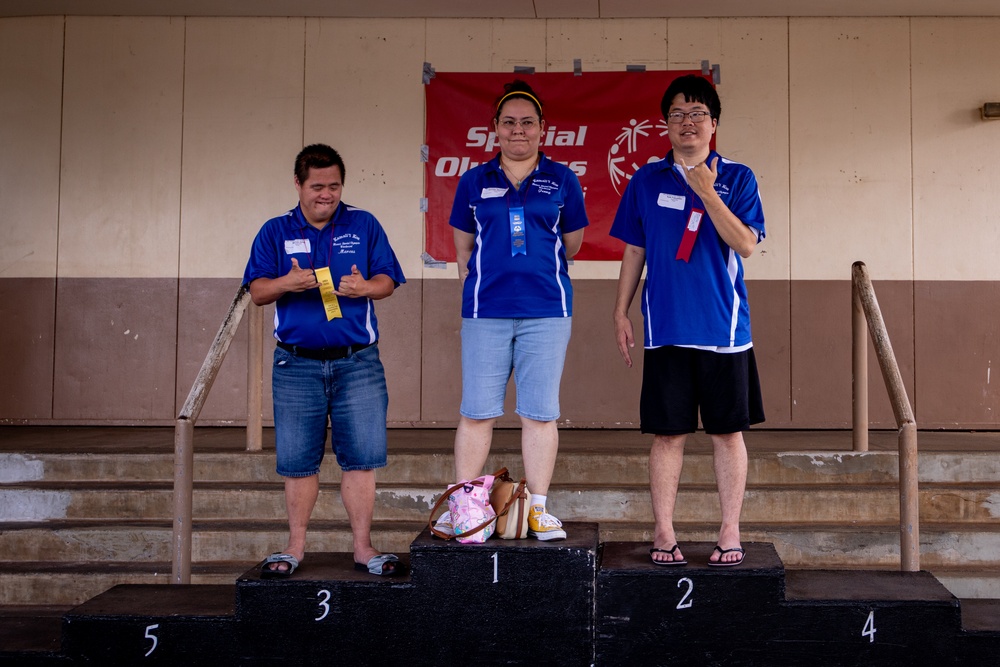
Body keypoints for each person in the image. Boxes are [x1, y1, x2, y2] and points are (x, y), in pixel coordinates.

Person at [610, 75, 766, 567]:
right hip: (665, 330)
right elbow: (634, 248)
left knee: (727, 433)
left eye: (697, 113)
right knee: (668, 434)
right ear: (666, 125)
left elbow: (745, 243)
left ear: (714, 123)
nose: (687, 123)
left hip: (725, 331)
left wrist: (707, 191)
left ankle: (729, 530)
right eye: (677, 114)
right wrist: (621, 309)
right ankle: (663, 530)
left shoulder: (738, 177)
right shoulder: (646, 180)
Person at [243, 143, 406, 577]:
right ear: (298, 184)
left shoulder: (364, 224)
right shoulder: (275, 231)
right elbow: (257, 293)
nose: (326, 194)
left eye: (334, 186)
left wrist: (365, 288)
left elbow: (389, 280)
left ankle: (363, 548)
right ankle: (295, 548)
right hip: (296, 365)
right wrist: (286, 282)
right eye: (317, 186)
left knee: (362, 459)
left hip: (358, 363)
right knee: (297, 463)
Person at [436, 80, 589, 541]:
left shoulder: (562, 179)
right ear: (494, 130)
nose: (518, 130)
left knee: (540, 413)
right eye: (509, 122)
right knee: (477, 411)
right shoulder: (473, 181)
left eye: (527, 122)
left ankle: (537, 508)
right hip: (486, 312)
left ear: (543, 129)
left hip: (547, 310)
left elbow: (573, 244)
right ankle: (466, 507)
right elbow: (463, 249)